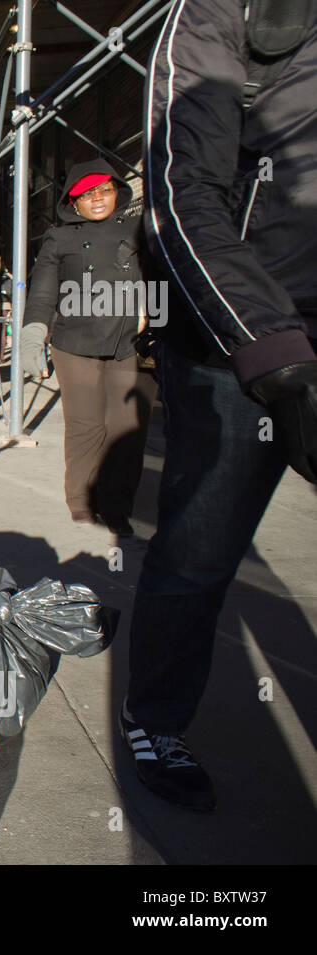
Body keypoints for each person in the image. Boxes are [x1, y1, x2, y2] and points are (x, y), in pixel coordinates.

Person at [124, 0, 317, 812]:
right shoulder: (218, 14)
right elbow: (180, 197)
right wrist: (270, 349)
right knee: (200, 548)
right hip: (240, 334)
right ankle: (155, 716)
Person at [24, 159, 153, 535]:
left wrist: (158, 320)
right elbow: (45, 290)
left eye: (104, 191)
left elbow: (160, 278)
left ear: (117, 193)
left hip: (130, 342)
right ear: (73, 203)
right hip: (74, 342)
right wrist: (35, 331)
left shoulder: (139, 230)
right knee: (87, 425)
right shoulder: (58, 238)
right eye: (87, 194)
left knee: (127, 428)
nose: (97, 198)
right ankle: (81, 501)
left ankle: (116, 507)